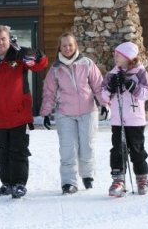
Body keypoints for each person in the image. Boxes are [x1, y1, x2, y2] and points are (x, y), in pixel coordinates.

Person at [0, 25, 48, 199]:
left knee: (19, 150)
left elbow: (40, 64)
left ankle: (19, 183)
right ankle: (6, 183)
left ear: (8, 39)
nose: (0, 42)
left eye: (3, 39)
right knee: (2, 151)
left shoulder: (20, 57)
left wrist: (35, 53)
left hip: (20, 114)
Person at [40, 32, 106, 195]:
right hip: (65, 114)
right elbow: (49, 92)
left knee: (87, 146)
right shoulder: (55, 69)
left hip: (88, 111)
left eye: (70, 45)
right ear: (60, 48)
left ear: (75, 46)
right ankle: (69, 182)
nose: (67, 48)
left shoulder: (87, 63)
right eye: (64, 45)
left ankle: (87, 175)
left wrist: (104, 103)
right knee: (67, 149)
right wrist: (46, 112)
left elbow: (98, 86)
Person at [101, 41, 148, 197]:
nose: (115, 57)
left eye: (118, 55)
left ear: (128, 57)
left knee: (137, 150)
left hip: (135, 120)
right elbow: (103, 96)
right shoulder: (112, 74)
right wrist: (110, 88)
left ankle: (142, 178)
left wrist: (132, 86)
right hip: (118, 120)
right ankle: (118, 180)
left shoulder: (140, 72)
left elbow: (147, 93)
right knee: (117, 150)